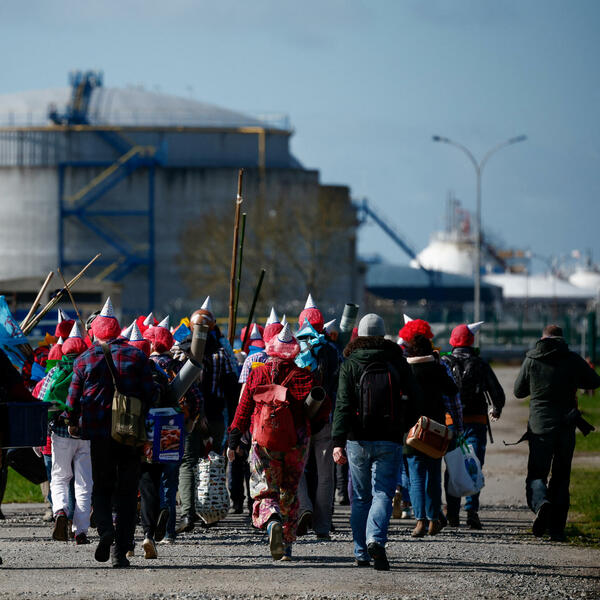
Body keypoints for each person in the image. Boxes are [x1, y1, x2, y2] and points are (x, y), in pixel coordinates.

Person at [65, 298, 156, 568]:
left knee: (101, 488)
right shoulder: (137, 356)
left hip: (98, 434)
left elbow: (73, 399)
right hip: (130, 434)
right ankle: (120, 552)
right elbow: (150, 394)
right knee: (127, 493)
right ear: (117, 330)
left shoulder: (84, 359)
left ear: (95, 331)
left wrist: (72, 421)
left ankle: (105, 530)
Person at [332, 313, 421, 571]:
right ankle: (376, 540)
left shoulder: (350, 363)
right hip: (390, 438)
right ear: (383, 334)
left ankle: (361, 552)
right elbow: (416, 398)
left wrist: (338, 441)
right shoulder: (397, 360)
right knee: (383, 492)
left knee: (360, 498)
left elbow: (343, 404)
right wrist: (404, 426)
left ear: (359, 334)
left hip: (357, 439)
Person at [227, 323, 316, 561]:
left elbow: (243, 409)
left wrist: (233, 439)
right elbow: (320, 410)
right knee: (290, 490)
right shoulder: (304, 376)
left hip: (263, 440)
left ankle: (271, 520)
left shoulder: (258, 373)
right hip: (296, 442)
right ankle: (286, 545)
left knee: (265, 487)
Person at [514, 324, 600, 542]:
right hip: (565, 427)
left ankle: (541, 504)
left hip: (539, 427)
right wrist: (573, 379)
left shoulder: (532, 359)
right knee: (561, 478)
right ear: (562, 339)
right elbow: (594, 381)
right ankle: (557, 530)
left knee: (537, 474)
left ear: (542, 338)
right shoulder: (572, 359)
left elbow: (518, 391)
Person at [175, 297, 239, 534]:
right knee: (213, 462)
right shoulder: (222, 354)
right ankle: (209, 512)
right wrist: (234, 423)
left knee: (188, 463)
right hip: (216, 418)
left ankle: (187, 514)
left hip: (189, 417)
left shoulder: (181, 352)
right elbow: (232, 392)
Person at [441, 321, 505, 529]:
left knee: (452, 465)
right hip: (476, 421)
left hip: (450, 422)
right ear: (471, 341)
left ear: (452, 341)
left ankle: (452, 513)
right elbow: (497, 393)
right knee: (473, 464)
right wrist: (496, 409)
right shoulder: (480, 364)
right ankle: (472, 511)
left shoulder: (444, 362)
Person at [403, 333, 458, 537]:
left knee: (416, 478)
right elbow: (453, 390)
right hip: (435, 430)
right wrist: (438, 363)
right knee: (433, 476)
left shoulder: (406, 370)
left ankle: (420, 521)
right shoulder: (436, 368)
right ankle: (434, 520)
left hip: (412, 431)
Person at [295, 294, 341, 540]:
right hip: (326, 417)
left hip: (299, 419)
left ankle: (304, 507)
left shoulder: (294, 347)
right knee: (325, 476)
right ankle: (323, 526)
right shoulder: (332, 350)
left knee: (298, 469)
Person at [43, 322, 93, 544]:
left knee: (60, 478)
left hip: (60, 432)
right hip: (85, 432)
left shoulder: (55, 371)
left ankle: (60, 511)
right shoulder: (90, 370)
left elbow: (43, 401)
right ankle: (81, 530)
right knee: (84, 482)